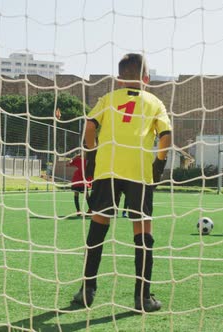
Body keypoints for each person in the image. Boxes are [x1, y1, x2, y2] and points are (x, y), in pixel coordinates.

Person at [71, 53, 172, 313]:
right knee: (142, 234)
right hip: (139, 173)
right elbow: (165, 136)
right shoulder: (155, 102)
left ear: (119, 80)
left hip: (108, 171)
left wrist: (91, 153)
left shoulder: (108, 99)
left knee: (98, 229)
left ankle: (87, 290)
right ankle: (143, 297)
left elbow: (90, 126)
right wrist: (159, 164)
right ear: (146, 78)